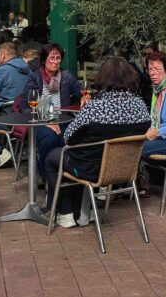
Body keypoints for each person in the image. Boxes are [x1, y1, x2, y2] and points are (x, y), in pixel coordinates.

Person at [44, 57, 151, 229]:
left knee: (53, 157)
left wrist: (84, 111)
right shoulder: (140, 106)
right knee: (79, 155)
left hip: (91, 169)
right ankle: (84, 212)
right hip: (124, 169)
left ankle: (65, 213)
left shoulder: (96, 107)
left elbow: (69, 137)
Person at [22, 43, 82, 179]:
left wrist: (84, 98)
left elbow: (79, 94)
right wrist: (47, 120)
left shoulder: (66, 77)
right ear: (44, 60)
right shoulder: (35, 77)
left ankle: (69, 174)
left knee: (74, 135)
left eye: (58, 58)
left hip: (62, 118)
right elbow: (25, 107)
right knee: (51, 138)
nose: (56, 62)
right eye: (52, 58)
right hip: (39, 120)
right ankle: (48, 177)